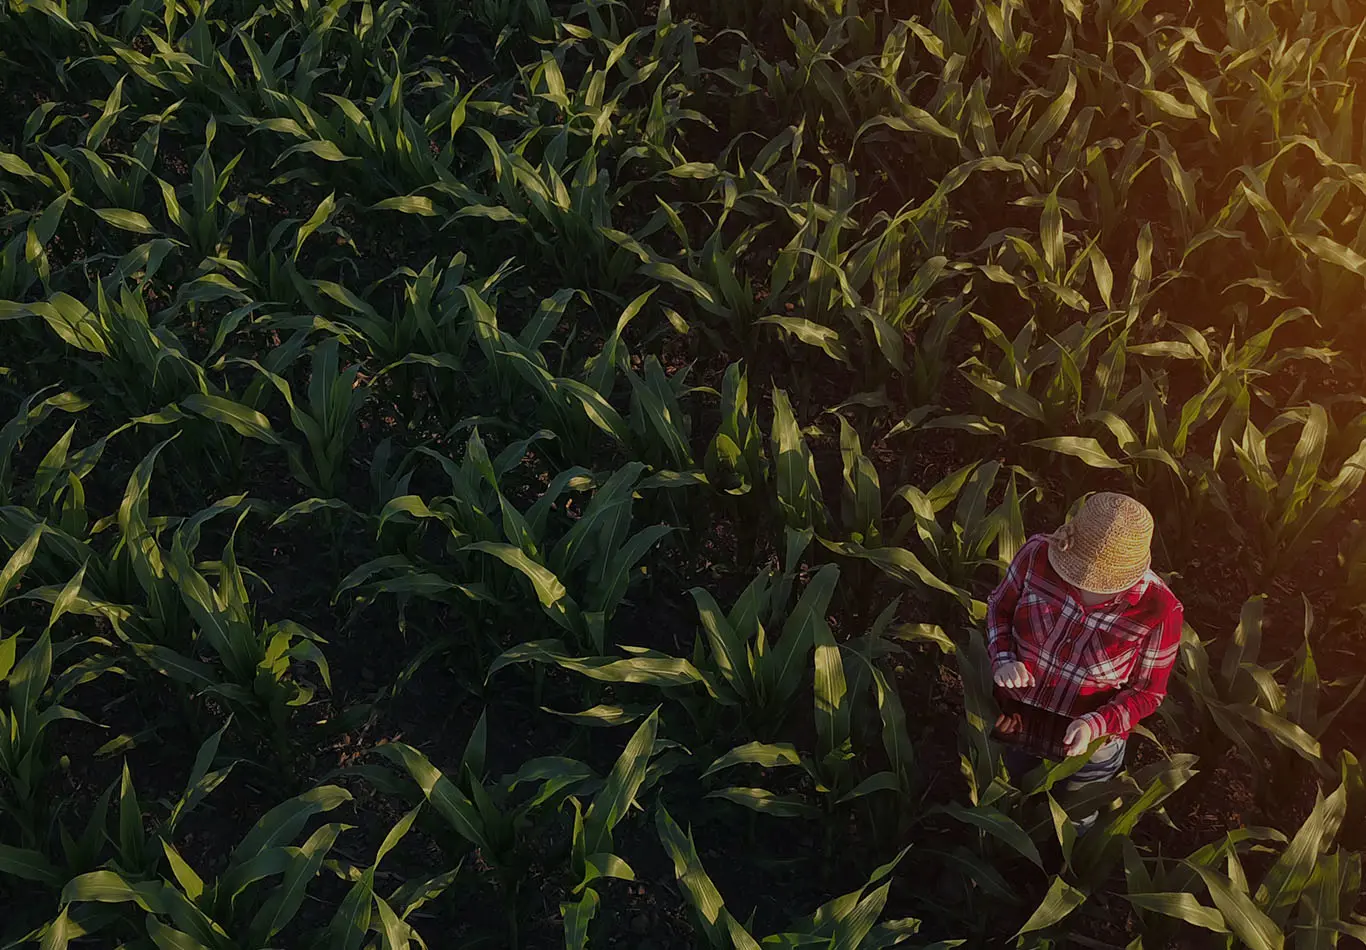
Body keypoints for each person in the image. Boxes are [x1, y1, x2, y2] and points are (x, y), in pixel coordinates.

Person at [985, 492, 1183, 830]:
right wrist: (1003, 658)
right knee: (1010, 794)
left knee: (1074, 817)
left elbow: (1147, 692)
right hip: (1018, 715)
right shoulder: (1036, 555)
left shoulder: (1159, 609)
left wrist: (1097, 724)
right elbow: (999, 609)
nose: (1083, 584)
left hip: (1089, 741)